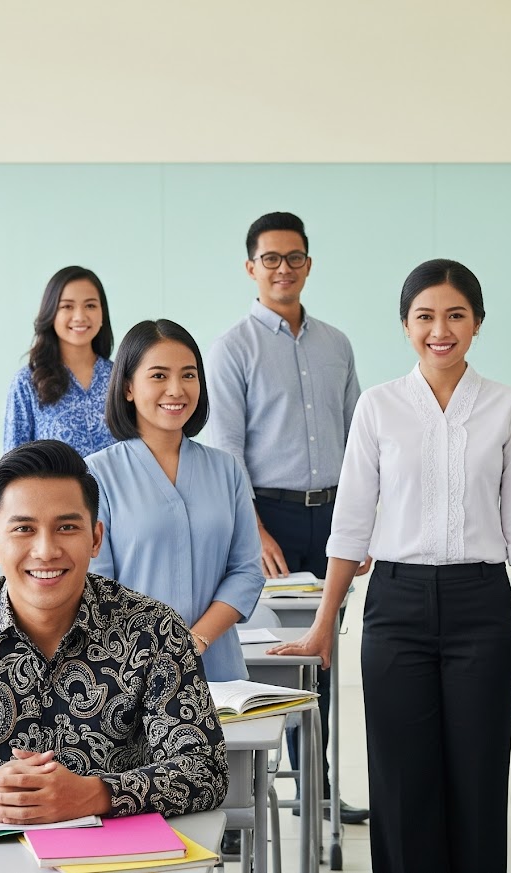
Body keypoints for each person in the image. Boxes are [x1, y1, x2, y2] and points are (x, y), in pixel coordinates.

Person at [270, 258, 511, 873]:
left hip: (481, 606)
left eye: (455, 315)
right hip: (395, 605)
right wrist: (321, 623)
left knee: (476, 780)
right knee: (401, 783)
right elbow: (352, 522)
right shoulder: (378, 407)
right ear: (405, 324)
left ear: (477, 324)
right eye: (425, 316)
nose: (439, 329)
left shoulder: (503, 408)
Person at [0, 440, 228, 822]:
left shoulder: (155, 629)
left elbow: (205, 768)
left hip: (117, 852)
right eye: (24, 529)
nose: (46, 550)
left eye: (66, 527)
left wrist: (95, 794)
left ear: (95, 538)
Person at [202, 212, 366, 822]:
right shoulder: (231, 348)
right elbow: (227, 449)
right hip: (265, 515)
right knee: (269, 656)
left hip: (331, 517)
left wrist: (361, 524)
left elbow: (359, 441)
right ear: (252, 268)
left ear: (308, 265)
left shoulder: (336, 344)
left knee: (321, 657)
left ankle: (320, 794)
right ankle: (260, 790)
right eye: (270, 259)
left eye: (294, 257)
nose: (283, 269)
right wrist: (256, 530)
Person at [86, 319, 262, 683]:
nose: (176, 389)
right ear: (128, 388)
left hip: (218, 670)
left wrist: (193, 642)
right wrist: (156, 652)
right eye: (158, 376)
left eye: (188, 375)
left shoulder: (226, 469)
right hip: (129, 674)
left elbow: (246, 570)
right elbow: (95, 586)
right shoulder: (97, 474)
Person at [3, 265, 117, 457]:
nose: (80, 316)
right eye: (67, 306)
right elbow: (12, 465)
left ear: (102, 314)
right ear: (51, 314)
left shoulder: (121, 378)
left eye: (90, 305)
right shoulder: (27, 382)